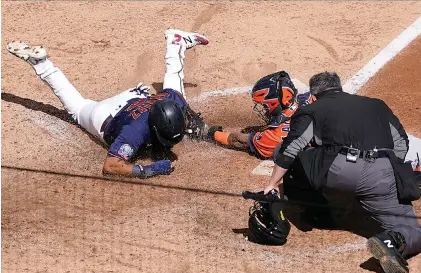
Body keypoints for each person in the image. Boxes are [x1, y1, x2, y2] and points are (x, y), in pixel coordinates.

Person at [262, 72, 421, 273]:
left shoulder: (311, 109)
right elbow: (401, 144)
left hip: (338, 172)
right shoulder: (377, 105)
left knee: (285, 153)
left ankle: (318, 214)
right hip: (380, 176)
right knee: (414, 231)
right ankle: (393, 241)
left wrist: (273, 183)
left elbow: (292, 148)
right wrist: (391, 174)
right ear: (340, 87)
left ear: (315, 94)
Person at [7, 29, 210, 179]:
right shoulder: (134, 133)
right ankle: (42, 65)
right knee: (78, 108)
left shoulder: (173, 100)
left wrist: (223, 135)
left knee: (174, 84)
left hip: (133, 98)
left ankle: (176, 42)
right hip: (103, 116)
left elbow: (203, 127)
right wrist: (149, 170)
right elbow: (111, 165)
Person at [209, 71, 316, 159]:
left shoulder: (274, 136)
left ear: (275, 102)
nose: (265, 111)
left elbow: (240, 140)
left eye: (266, 106)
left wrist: (213, 134)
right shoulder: (311, 98)